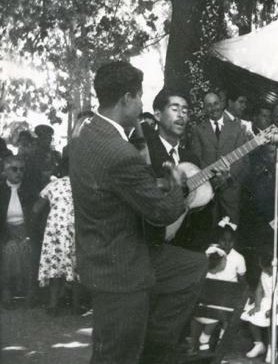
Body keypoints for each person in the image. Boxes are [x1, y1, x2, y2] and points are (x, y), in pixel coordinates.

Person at [69, 61, 207, 364]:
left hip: (101, 256)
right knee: (117, 355)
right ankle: (152, 345)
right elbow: (163, 213)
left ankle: (157, 341)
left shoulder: (85, 135)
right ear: (126, 99)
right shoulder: (120, 153)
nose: (142, 104)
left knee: (193, 265)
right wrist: (175, 184)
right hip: (123, 271)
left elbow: (118, 191)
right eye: (140, 97)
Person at [147, 90, 220, 251]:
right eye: (175, 109)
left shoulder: (191, 158)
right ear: (158, 115)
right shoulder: (146, 153)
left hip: (188, 244)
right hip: (154, 242)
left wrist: (213, 186)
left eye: (185, 111)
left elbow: (198, 206)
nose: (181, 115)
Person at [190, 91, 254, 225]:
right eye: (208, 105)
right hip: (207, 188)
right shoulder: (198, 130)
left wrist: (227, 178)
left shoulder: (237, 127)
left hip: (230, 189)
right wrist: (213, 177)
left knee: (230, 230)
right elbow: (197, 158)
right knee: (209, 229)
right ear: (204, 108)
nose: (213, 108)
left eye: (216, 103)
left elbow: (242, 158)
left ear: (222, 104)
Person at [188, 223, 246, 355]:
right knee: (198, 310)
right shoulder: (211, 253)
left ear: (234, 242)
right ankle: (194, 342)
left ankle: (219, 342)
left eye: (230, 241)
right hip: (209, 292)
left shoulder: (238, 258)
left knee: (225, 309)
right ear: (217, 240)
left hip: (227, 295)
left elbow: (242, 279)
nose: (226, 244)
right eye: (223, 240)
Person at [33, 158, 82, 316]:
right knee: (75, 264)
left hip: (55, 228)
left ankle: (53, 305)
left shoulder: (53, 185)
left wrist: (37, 226)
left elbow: (36, 209)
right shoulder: (81, 184)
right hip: (75, 226)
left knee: (54, 264)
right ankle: (76, 305)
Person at [0, 156, 36, 307]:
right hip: (6, 231)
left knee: (28, 249)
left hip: (28, 231)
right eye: (14, 169)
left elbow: (37, 219)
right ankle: (6, 290)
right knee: (10, 249)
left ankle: (30, 292)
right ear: (5, 171)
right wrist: (6, 239)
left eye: (22, 169)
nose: (18, 173)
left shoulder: (30, 190)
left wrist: (29, 236)